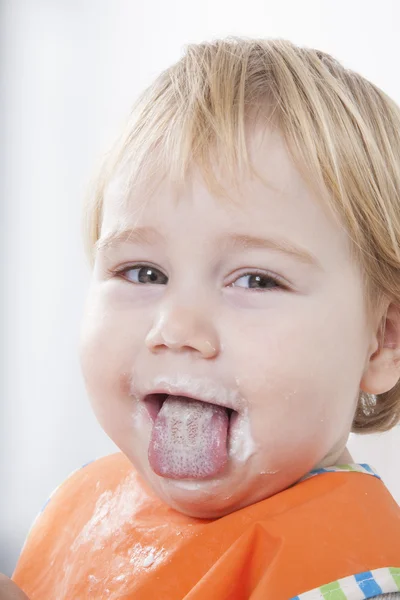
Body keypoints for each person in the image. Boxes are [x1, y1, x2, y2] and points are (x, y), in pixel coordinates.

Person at [9, 37, 400, 599]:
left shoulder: (354, 576)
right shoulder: (82, 505)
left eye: (256, 280)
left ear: (382, 341)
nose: (177, 328)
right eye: (143, 273)